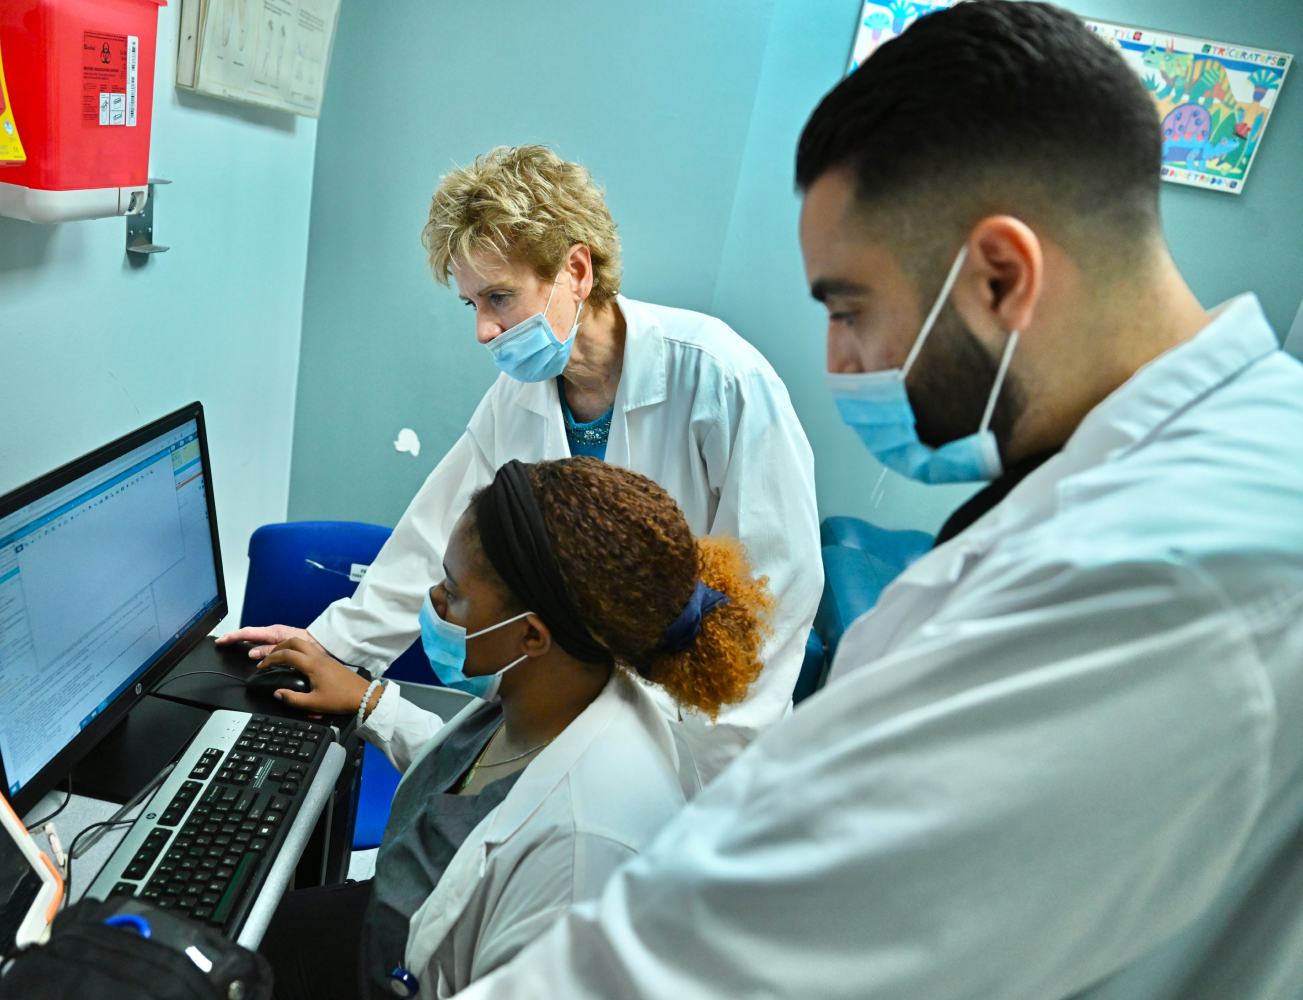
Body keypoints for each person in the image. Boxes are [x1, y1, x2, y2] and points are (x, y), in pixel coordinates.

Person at [450, 4, 1303, 998]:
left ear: (999, 275)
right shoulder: (1197, 453)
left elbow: (729, 953)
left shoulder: (1173, 566)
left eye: (848, 309)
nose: (836, 360)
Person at [220, 145, 821, 782]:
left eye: (500, 298)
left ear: (577, 271)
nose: (484, 330)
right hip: (565, 707)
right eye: (472, 304)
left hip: (701, 739)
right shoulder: (520, 394)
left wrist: (699, 770)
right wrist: (328, 647)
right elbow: (437, 536)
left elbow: (774, 594)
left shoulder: (718, 377)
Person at [252, 457, 773, 999]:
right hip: (396, 925)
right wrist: (371, 702)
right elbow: (480, 784)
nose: (433, 601)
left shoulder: (582, 854)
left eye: (452, 591)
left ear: (530, 636)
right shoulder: (555, 691)